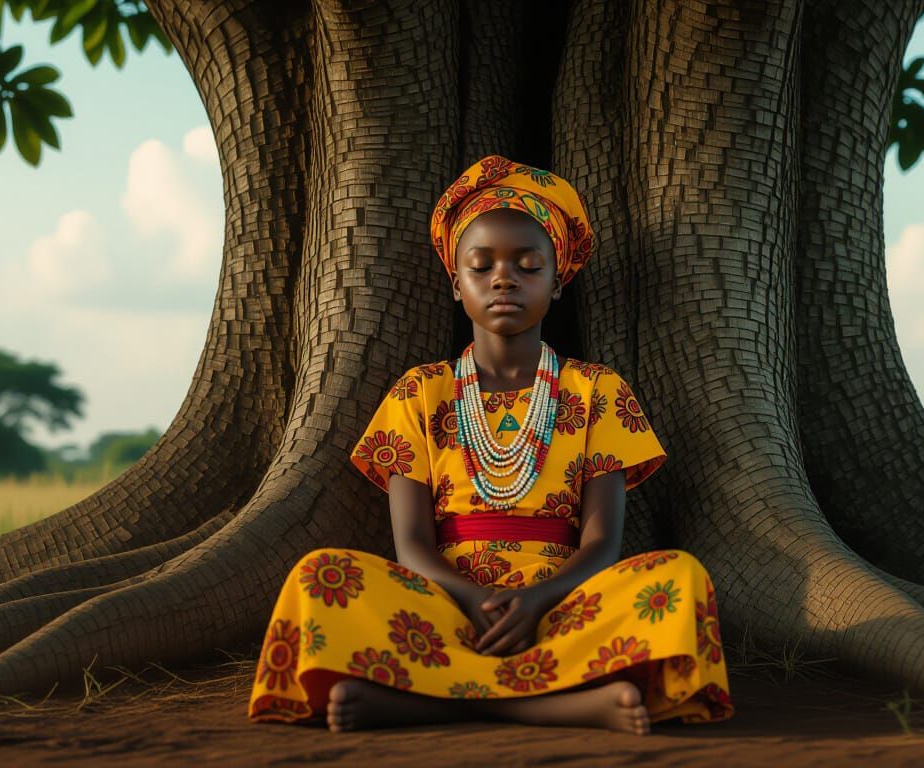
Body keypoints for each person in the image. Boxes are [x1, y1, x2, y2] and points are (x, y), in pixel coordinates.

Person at [247, 154, 733, 734]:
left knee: (678, 577)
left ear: (557, 282)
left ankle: (423, 704)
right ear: (457, 284)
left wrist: (537, 600)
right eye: (482, 266)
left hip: (562, 604)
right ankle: (567, 705)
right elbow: (411, 545)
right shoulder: (418, 393)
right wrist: (474, 600)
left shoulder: (597, 390)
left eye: (528, 265)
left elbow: (603, 543)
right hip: (444, 604)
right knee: (321, 575)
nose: (504, 278)